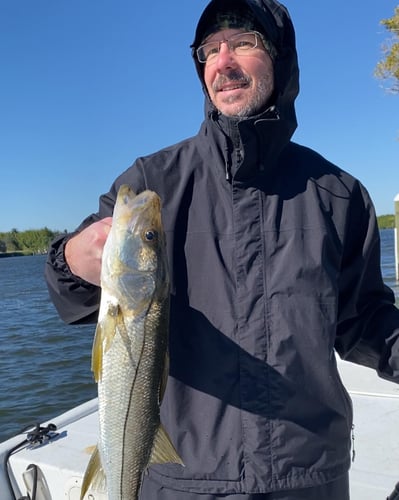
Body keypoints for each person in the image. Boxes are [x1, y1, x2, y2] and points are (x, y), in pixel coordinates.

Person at [45, 0, 399, 498]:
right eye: (209, 50)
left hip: (311, 477)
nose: (223, 61)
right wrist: (72, 260)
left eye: (244, 43)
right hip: (182, 481)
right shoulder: (150, 182)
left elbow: (365, 323)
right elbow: (73, 292)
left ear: (281, 59)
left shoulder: (340, 195)